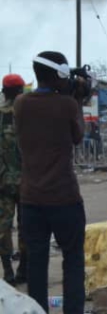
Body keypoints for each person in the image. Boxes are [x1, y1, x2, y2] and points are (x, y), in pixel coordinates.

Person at [16, 51, 87, 314]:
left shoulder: (20, 104)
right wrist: (78, 98)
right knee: (73, 261)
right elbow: (78, 135)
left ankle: (38, 310)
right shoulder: (66, 105)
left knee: (36, 264)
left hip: (31, 200)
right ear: (59, 75)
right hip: (64, 198)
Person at [0, 74, 26, 285]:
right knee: (26, 226)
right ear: (20, 91)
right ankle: (24, 269)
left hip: (2, 181)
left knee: (3, 226)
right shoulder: (27, 113)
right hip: (27, 181)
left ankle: (8, 271)